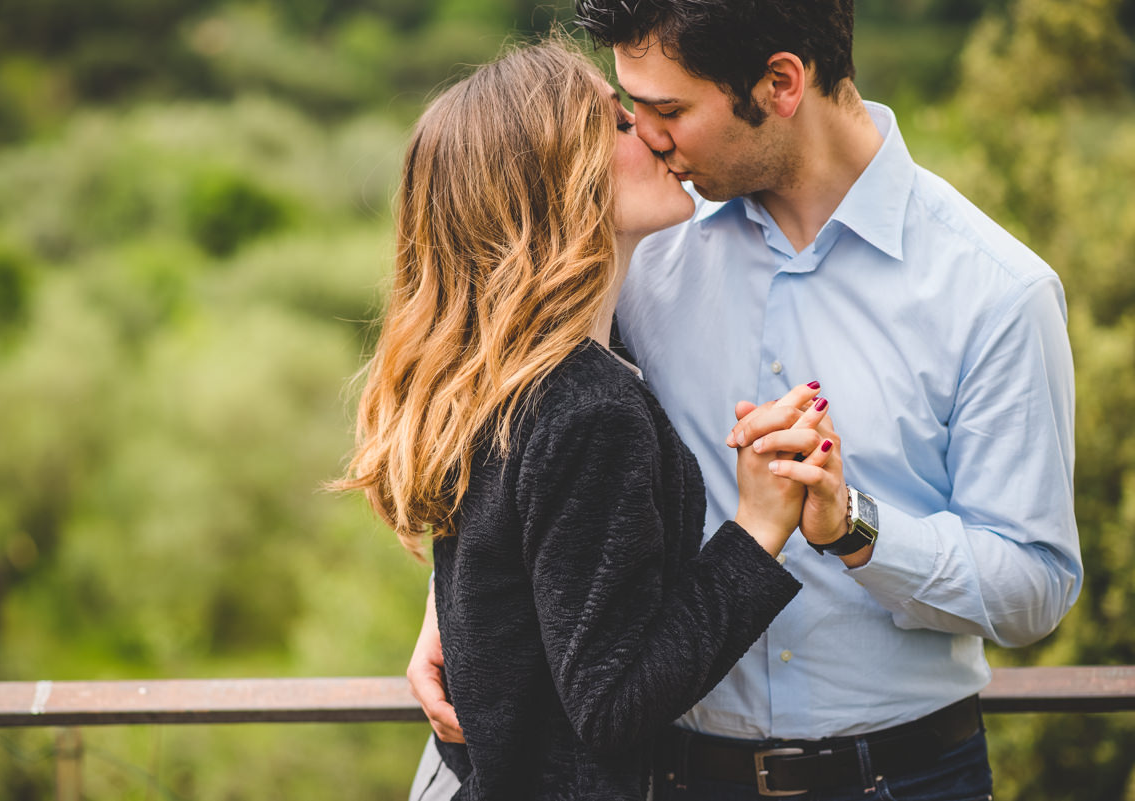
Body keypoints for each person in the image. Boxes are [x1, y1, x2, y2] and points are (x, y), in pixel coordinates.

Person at [409, 2, 1083, 799]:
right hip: (672, 774)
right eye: (634, 114)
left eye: (669, 111)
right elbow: (532, 438)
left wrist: (856, 528)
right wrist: (455, 607)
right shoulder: (632, 240)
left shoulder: (996, 293)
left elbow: (1036, 586)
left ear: (780, 83)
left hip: (906, 775)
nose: (650, 136)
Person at [339, 36, 828, 800]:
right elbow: (612, 703)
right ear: (562, 180)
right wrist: (759, 530)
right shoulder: (588, 408)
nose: (656, 133)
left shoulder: (516, 374)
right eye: (622, 125)